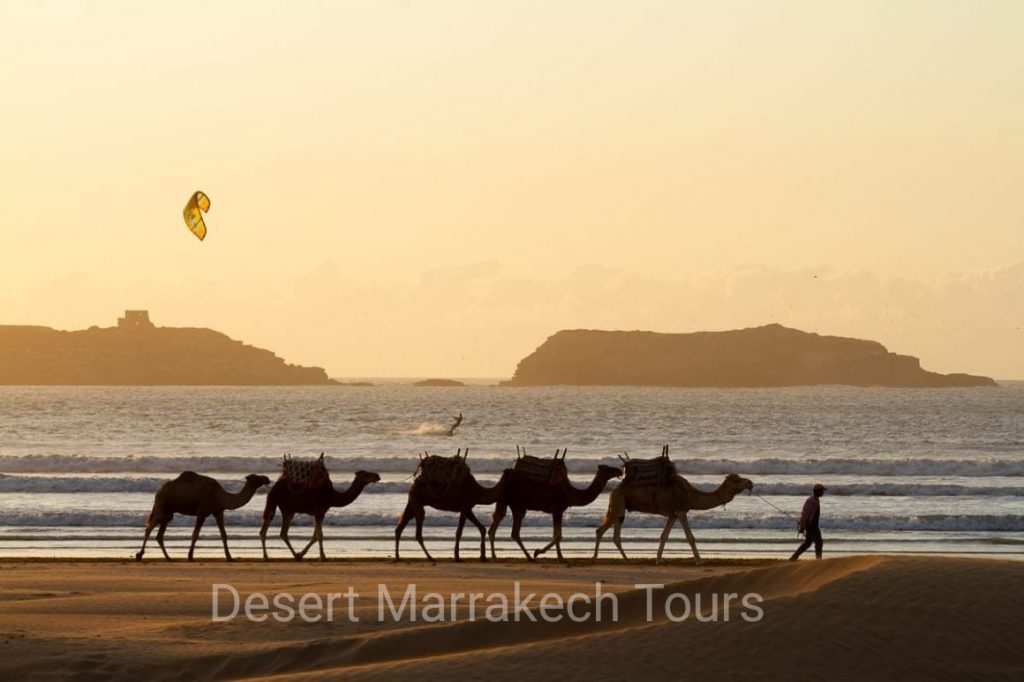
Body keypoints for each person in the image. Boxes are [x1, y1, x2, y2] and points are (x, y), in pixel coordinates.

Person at [790, 483, 826, 560]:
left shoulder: (816, 500)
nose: (823, 492)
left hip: (813, 525)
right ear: (817, 491)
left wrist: (803, 526)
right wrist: (802, 526)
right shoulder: (811, 501)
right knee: (819, 542)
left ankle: (794, 557)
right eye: (822, 491)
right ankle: (818, 560)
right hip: (811, 525)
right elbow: (805, 514)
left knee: (807, 543)